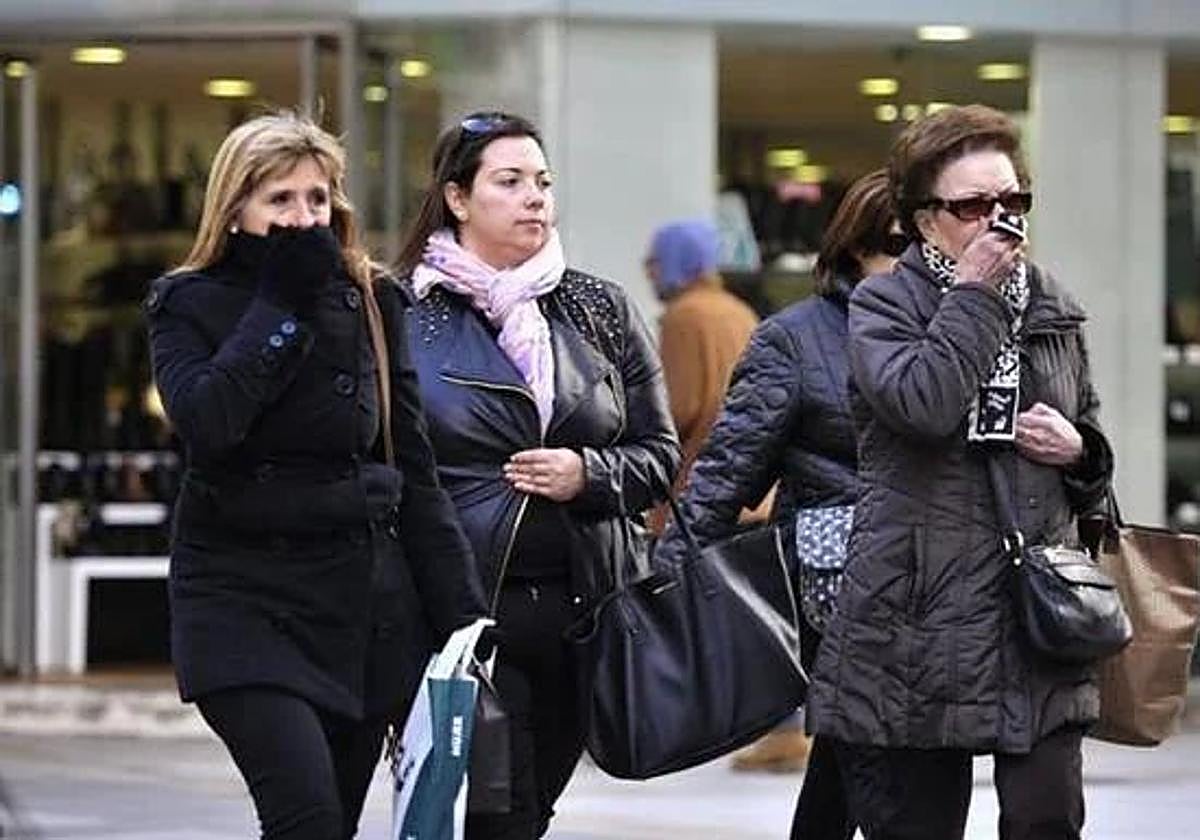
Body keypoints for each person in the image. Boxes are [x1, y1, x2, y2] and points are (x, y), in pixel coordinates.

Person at [146, 111, 485, 840]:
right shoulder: (184, 304)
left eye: (317, 199)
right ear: (234, 210)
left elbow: (412, 463)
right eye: (280, 201)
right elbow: (210, 422)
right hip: (242, 603)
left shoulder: (371, 299)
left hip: (357, 610)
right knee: (304, 818)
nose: (305, 219)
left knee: (332, 823)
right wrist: (281, 303)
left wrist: (461, 614)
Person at [806, 105, 1114, 840]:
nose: (999, 221)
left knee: (1047, 819)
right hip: (918, 617)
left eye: (1013, 202)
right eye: (975, 206)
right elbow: (922, 405)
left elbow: (1093, 438)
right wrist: (973, 295)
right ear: (922, 220)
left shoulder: (1051, 305)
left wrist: (1080, 452)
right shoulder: (884, 305)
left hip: (1037, 611)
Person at [395, 111, 681, 840]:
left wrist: (586, 472)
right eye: (511, 181)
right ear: (458, 198)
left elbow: (658, 454)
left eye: (544, 183)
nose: (535, 199)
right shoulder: (403, 309)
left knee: (530, 812)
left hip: (585, 611)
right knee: (497, 816)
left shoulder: (598, 307)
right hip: (464, 618)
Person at [654, 170, 901, 835]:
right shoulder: (776, 327)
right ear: (858, 249)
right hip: (839, 579)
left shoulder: (687, 316)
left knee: (856, 765)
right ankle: (786, 730)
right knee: (872, 761)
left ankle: (787, 733)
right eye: (899, 247)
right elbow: (731, 460)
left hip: (929, 589)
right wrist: (658, 587)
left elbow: (680, 411)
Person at [644, 218, 761, 534]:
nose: (648, 272)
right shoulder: (738, 311)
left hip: (697, 495)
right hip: (748, 492)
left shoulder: (683, 317)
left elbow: (677, 410)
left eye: (654, 261)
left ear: (676, 261)